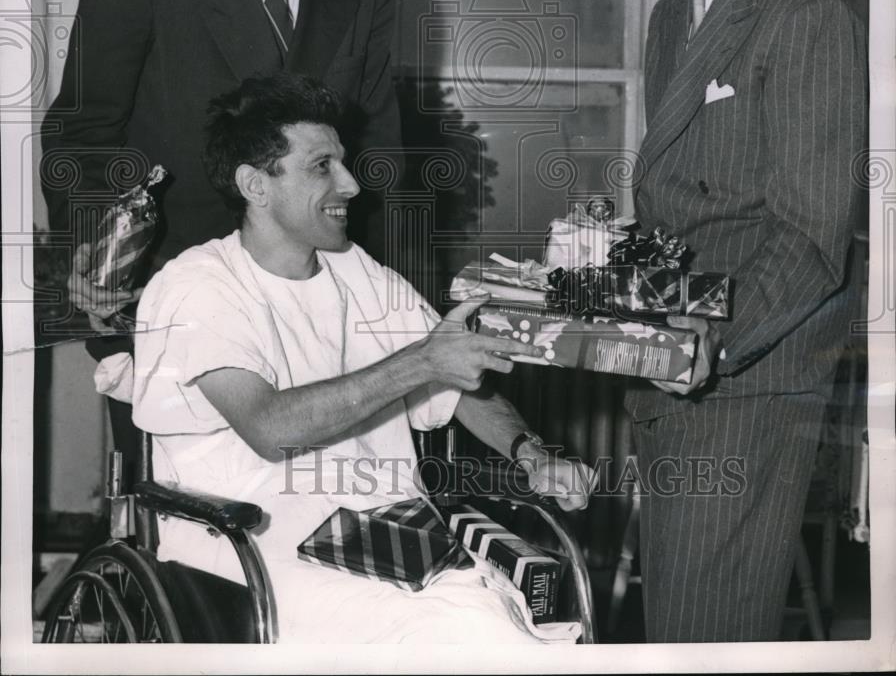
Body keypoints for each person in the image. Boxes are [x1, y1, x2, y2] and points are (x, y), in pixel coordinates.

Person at [130, 72, 590, 643]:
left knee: (497, 617)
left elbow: (459, 378)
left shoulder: (360, 272)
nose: (350, 184)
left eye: (343, 162)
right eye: (322, 165)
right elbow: (271, 428)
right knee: (460, 631)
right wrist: (421, 362)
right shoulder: (198, 285)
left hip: (386, 531)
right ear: (255, 185)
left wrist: (530, 452)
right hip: (252, 540)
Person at [40, 0, 401, 469]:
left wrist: (395, 313)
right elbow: (84, 131)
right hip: (169, 302)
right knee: (190, 542)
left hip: (312, 314)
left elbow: (379, 155)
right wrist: (95, 251)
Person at [597, 0, 866, 642]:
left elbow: (811, 234)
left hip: (748, 376)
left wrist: (709, 337)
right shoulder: (674, 14)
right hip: (672, 368)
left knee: (707, 632)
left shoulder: (806, 11)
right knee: (676, 618)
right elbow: (676, 195)